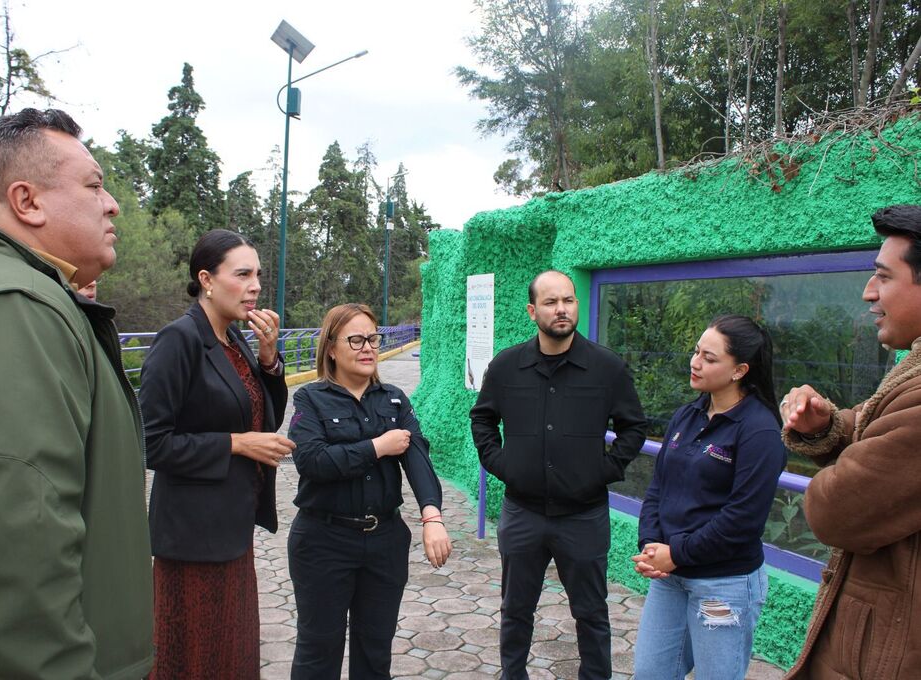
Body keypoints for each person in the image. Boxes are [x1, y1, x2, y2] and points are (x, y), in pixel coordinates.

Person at [0, 109, 153, 678]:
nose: (111, 204)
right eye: (93, 185)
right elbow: (17, 544)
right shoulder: (8, 307)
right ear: (27, 201)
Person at [470, 270, 647, 680]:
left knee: (591, 612)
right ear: (533, 311)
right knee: (516, 610)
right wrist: (502, 465)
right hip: (522, 514)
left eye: (568, 300)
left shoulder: (606, 367)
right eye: (550, 302)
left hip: (584, 516)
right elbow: (483, 419)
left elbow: (634, 427)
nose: (561, 309)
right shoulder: (506, 366)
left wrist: (604, 470)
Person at [139, 229, 294, 679]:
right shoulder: (179, 340)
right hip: (193, 537)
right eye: (242, 274)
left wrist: (269, 359)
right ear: (206, 279)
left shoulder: (234, 339)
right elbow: (151, 442)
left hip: (232, 527)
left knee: (230, 653)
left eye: (258, 275)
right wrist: (236, 443)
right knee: (196, 656)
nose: (255, 286)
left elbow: (266, 418)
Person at [781, 205, 921, 679]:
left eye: (883, 276)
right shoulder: (911, 370)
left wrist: (840, 469)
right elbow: (869, 421)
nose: (868, 292)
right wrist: (824, 426)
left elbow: (836, 509)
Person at [287, 303, 452, 680]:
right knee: (318, 652)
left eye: (373, 339)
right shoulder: (310, 399)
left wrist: (432, 515)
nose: (368, 348)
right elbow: (312, 461)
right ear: (331, 347)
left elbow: (417, 456)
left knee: (375, 653)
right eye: (356, 340)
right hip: (323, 541)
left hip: (384, 542)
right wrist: (377, 447)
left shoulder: (394, 399)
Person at [631, 315, 787, 679]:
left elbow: (741, 521)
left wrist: (676, 553)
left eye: (709, 357)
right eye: (696, 351)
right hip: (670, 577)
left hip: (723, 584)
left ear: (739, 371)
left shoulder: (760, 431)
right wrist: (651, 543)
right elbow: (658, 487)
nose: (695, 362)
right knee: (651, 673)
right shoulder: (688, 415)